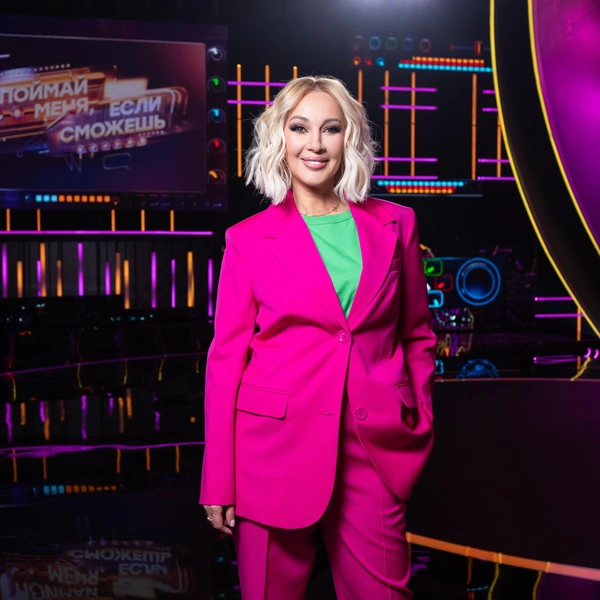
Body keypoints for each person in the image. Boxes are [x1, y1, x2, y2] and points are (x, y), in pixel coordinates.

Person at [200, 75, 436, 599]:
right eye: (299, 128)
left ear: (349, 138)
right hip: (270, 453)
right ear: (279, 138)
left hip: (372, 450)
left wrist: (417, 413)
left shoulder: (397, 224)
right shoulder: (247, 240)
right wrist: (218, 477)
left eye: (331, 129)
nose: (315, 144)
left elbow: (417, 334)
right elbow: (226, 360)